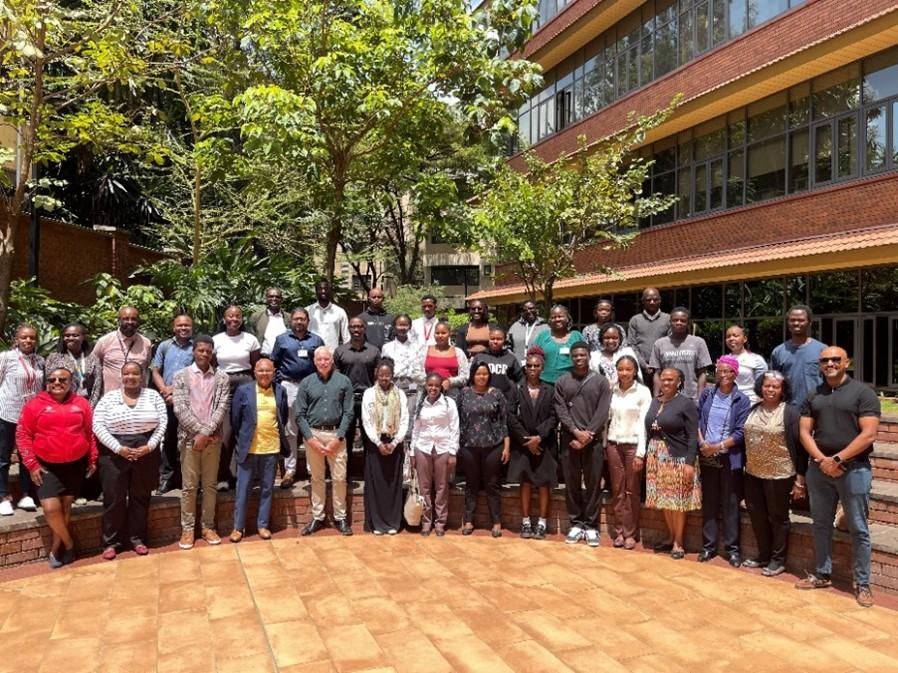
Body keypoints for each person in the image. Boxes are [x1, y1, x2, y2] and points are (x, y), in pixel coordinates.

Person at [797, 346, 880, 608]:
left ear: (847, 362)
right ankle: (822, 574)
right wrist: (823, 461)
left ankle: (863, 583)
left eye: (835, 359)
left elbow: (868, 434)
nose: (830, 363)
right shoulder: (814, 394)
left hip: (854, 469)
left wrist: (837, 459)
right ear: (820, 365)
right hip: (820, 470)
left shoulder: (863, 392)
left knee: (858, 528)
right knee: (820, 524)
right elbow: (804, 432)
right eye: (825, 360)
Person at [16, 367, 97, 568]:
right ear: (46, 382)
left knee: (65, 507)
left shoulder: (81, 404)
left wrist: (92, 458)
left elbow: (89, 433)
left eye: (63, 379)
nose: (57, 382)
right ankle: (69, 543)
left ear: (71, 382)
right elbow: (23, 435)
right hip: (45, 466)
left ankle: (56, 550)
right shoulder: (34, 405)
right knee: (51, 509)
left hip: (75, 464)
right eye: (52, 379)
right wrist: (32, 465)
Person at [93, 362, 167, 560]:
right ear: (121, 376)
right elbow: (98, 425)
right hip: (114, 452)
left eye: (135, 373)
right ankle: (111, 542)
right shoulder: (108, 398)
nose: (131, 377)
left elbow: (162, 422)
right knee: (113, 498)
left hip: (146, 449)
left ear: (142, 376)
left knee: (140, 497)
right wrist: (119, 449)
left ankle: (137, 539)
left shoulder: (152, 396)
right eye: (127, 374)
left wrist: (149, 446)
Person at [743, 371, 805, 577]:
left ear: (783, 390)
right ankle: (763, 555)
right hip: (753, 472)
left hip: (779, 474)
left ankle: (778, 560)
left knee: (778, 517)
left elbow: (800, 447)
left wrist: (800, 479)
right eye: (767, 385)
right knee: (757, 515)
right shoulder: (753, 409)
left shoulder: (790, 413)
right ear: (761, 387)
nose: (770, 390)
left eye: (776, 387)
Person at [173, 335, 231, 550]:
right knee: (189, 487)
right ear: (194, 352)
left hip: (213, 440)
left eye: (208, 351)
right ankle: (187, 529)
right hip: (189, 440)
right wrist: (200, 433)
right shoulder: (180, 376)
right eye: (201, 350)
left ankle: (208, 527)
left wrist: (206, 433)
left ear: (212, 353)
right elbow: (179, 409)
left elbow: (221, 408)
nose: (204, 354)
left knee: (210, 486)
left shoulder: (222, 378)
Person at [554, 342, 611, 547]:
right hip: (570, 441)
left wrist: (588, 435)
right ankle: (576, 523)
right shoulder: (563, 381)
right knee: (572, 484)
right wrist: (576, 432)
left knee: (593, 483)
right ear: (571, 357)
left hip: (593, 441)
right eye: (575, 355)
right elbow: (560, 410)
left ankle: (591, 526)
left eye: (582, 355)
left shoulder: (601, 382)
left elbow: (603, 411)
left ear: (589, 356)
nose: (579, 358)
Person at [696, 356, 751, 567]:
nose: (723, 374)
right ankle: (708, 547)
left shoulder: (742, 400)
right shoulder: (708, 393)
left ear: (735, 374)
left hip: (729, 458)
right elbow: (697, 419)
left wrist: (717, 447)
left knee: (730, 505)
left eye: (728, 371)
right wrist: (703, 444)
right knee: (709, 502)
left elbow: (740, 433)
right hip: (706, 455)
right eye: (720, 370)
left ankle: (732, 549)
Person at [229, 358, 290, 542]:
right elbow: (235, 420)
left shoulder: (280, 391)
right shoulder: (243, 391)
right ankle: (238, 528)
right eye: (261, 370)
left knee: (266, 489)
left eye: (268, 371)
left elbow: (283, 418)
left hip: (271, 449)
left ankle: (262, 525)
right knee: (243, 489)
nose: (265, 374)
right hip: (249, 449)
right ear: (254, 372)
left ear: (274, 372)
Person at [295, 347, 355, 536]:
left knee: (339, 479)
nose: (323, 362)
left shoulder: (344, 382)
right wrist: (310, 439)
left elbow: (349, 412)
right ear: (314, 361)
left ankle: (340, 517)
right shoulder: (306, 383)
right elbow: (299, 414)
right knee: (317, 479)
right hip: (314, 436)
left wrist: (338, 438)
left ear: (332, 360)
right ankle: (318, 517)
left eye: (326, 359)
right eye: (319, 359)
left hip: (336, 435)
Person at [644, 367, 701, 560]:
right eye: (663, 379)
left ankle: (678, 542)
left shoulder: (686, 404)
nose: (666, 382)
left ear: (679, 382)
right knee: (664, 500)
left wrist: (689, 462)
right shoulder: (655, 401)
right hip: (656, 458)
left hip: (677, 457)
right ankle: (669, 536)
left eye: (671, 380)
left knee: (677, 502)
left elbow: (693, 435)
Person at [271, 308, 324, 488]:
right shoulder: (282, 340)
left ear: (308, 321)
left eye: (302, 319)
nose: (299, 322)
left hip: (311, 386)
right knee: (290, 429)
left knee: (311, 428)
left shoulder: (316, 340)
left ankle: (313, 470)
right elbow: (274, 363)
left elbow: (322, 363)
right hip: (289, 385)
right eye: (296, 319)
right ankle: (290, 470)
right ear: (290, 321)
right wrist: (280, 384)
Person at [506, 350, 557, 540]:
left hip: (544, 444)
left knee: (544, 484)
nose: (533, 369)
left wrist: (539, 438)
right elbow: (510, 416)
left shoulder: (550, 389)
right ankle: (526, 521)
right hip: (523, 445)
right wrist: (527, 440)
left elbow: (554, 416)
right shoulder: (515, 389)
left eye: (536, 366)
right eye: (529, 366)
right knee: (525, 482)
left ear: (542, 368)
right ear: (525, 368)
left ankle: (542, 523)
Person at [456, 362, 509, 537]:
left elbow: (503, 423)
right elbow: (457, 421)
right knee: (471, 484)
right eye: (478, 374)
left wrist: (506, 447)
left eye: (485, 374)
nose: (482, 377)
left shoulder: (497, 394)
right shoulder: (463, 394)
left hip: (492, 446)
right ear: (472, 375)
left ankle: (496, 522)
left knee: (492, 484)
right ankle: (469, 520)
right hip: (468, 446)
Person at [605, 355, 652, 550]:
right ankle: (619, 532)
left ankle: (631, 533)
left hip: (633, 445)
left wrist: (641, 453)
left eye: (628, 369)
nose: (624, 373)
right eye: (621, 369)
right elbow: (606, 418)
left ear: (635, 371)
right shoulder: (612, 390)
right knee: (617, 490)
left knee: (632, 490)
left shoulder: (642, 392)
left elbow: (644, 424)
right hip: (614, 444)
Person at [213, 305, 261, 490]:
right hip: (223, 381)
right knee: (226, 432)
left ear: (242, 319)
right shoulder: (216, 340)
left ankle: (247, 476)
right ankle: (225, 476)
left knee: (246, 429)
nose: (234, 319)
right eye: (230, 316)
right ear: (224, 319)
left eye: (238, 316)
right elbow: (213, 365)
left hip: (245, 382)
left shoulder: (250, 339)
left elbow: (256, 366)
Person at [0, 324, 44, 515]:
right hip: (7, 413)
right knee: (3, 457)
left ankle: (26, 494)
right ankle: (2, 496)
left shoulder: (40, 361)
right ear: (16, 339)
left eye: (32, 338)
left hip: (31, 416)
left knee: (28, 457)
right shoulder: (6, 358)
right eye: (24, 337)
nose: (28, 341)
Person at [361, 359, 409, 534]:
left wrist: (395, 442)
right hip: (376, 444)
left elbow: (404, 420)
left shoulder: (400, 395)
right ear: (376, 374)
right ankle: (377, 524)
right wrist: (379, 443)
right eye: (381, 374)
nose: (384, 378)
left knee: (392, 484)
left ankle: (393, 523)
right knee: (376, 485)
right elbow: (367, 421)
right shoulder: (368, 394)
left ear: (392, 375)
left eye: (387, 374)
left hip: (394, 443)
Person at [150, 314, 194, 494]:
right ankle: (166, 479)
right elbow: (155, 371)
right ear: (173, 327)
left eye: (187, 325)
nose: (183, 328)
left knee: (188, 440)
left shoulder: (196, 347)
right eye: (180, 325)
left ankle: (189, 480)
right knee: (168, 439)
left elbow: (198, 373)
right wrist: (165, 390)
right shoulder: (164, 346)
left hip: (188, 401)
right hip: (166, 400)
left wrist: (175, 391)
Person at [411, 373, 459, 537]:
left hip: (443, 449)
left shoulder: (449, 403)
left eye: (436, 386)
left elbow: (454, 428)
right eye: (430, 385)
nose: (433, 388)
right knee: (424, 488)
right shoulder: (420, 404)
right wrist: (412, 452)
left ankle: (440, 522)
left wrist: (453, 452)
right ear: (425, 386)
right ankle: (426, 522)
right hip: (422, 448)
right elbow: (416, 429)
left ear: (441, 387)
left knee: (441, 487)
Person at [335, 316, 380, 480]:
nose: (356, 329)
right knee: (346, 438)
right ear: (348, 329)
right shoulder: (340, 351)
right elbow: (337, 377)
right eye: (353, 327)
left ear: (364, 328)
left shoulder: (374, 351)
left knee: (370, 438)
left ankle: (370, 473)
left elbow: (377, 377)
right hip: (347, 400)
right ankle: (345, 474)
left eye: (359, 326)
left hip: (368, 399)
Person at [649, 307, 712, 400]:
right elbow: (657, 374)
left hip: (691, 397)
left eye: (683, 320)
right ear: (670, 322)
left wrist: (699, 398)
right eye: (675, 320)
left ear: (688, 323)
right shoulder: (659, 344)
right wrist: (656, 398)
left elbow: (702, 373)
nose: (679, 322)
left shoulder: (698, 342)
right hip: (667, 397)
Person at [771, 305, 826, 410]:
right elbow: (774, 382)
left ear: (809, 323)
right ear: (788, 323)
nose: (796, 323)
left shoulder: (822, 350)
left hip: (816, 407)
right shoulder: (778, 351)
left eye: (801, 320)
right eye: (793, 320)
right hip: (787, 409)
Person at [380, 314, 423, 440]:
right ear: (394, 326)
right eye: (400, 325)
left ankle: (408, 444)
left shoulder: (417, 346)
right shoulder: (387, 347)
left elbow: (420, 367)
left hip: (412, 384)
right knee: (394, 413)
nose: (402, 328)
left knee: (411, 413)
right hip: (394, 384)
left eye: (405, 325)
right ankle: (394, 442)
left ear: (410, 326)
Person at [93, 306, 152, 393]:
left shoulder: (146, 343)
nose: (130, 322)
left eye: (133, 319)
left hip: (138, 397)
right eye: (126, 319)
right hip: (110, 397)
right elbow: (94, 365)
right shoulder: (104, 341)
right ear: (119, 321)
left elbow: (146, 367)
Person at [45, 323, 101, 407]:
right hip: (62, 405)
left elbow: (97, 385)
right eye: (67, 335)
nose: (70, 338)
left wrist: (90, 407)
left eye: (75, 335)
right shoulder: (54, 358)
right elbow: (49, 385)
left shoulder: (92, 358)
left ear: (83, 337)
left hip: (87, 404)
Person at [534, 305, 583, 385]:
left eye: (560, 316)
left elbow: (585, 358)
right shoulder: (542, 337)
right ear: (549, 320)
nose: (557, 319)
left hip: (573, 382)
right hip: (546, 383)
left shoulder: (577, 336)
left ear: (567, 318)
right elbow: (533, 358)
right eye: (553, 317)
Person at [471, 326, 523, 401]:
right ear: (488, 339)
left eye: (499, 339)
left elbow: (520, 379)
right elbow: (471, 379)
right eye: (492, 339)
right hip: (482, 399)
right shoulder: (480, 357)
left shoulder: (511, 358)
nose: (495, 341)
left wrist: (514, 394)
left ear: (504, 340)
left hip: (506, 399)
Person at [423, 321, 469, 399]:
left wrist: (450, 381)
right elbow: (416, 372)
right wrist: (431, 383)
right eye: (437, 333)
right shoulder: (424, 351)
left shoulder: (458, 352)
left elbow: (465, 376)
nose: (440, 336)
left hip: (451, 394)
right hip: (428, 393)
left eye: (443, 333)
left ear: (449, 334)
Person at [627, 287, 671, 369]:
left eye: (655, 299)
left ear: (660, 300)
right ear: (643, 301)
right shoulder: (635, 320)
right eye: (648, 300)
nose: (652, 302)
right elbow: (632, 345)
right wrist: (643, 365)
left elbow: (671, 344)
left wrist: (659, 364)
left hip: (663, 366)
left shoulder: (668, 319)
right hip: (641, 367)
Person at [725, 325, 767, 403]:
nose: (731, 339)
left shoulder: (756, 360)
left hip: (750, 404)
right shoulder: (723, 360)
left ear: (745, 339)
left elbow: (764, 384)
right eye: (728, 336)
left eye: (735, 336)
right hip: (727, 404)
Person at [306, 279, 350, 351]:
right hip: (311, 354)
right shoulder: (308, 311)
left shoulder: (340, 312)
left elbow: (346, 337)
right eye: (320, 289)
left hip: (332, 355)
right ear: (316, 292)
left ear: (330, 291)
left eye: (326, 289)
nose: (323, 291)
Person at [249, 287, 289, 357]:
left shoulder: (289, 318)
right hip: (263, 360)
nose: (274, 299)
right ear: (266, 299)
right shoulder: (256, 317)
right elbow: (251, 339)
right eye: (271, 296)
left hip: (284, 360)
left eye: (277, 297)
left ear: (281, 299)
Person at [507, 300, 549, 366]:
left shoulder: (545, 327)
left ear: (536, 309)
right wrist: (514, 359)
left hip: (537, 368)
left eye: (531, 308)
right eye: (525, 310)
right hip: (517, 367)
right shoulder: (515, 326)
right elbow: (507, 346)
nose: (528, 311)